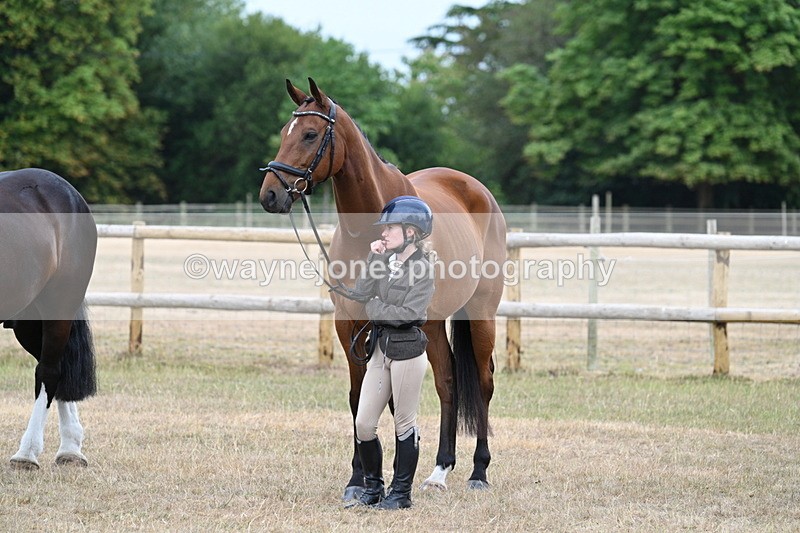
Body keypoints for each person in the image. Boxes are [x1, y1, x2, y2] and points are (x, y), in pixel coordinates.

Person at [347, 195, 435, 510]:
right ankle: (373, 489)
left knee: (404, 423)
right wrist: (373, 259)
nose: (383, 234)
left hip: (407, 352)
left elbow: (408, 313)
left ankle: (400, 495)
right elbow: (360, 293)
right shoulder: (385, 260)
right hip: (379, 351)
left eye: (391, 228)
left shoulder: (423, 268)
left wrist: (373, 305)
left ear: (411, 232)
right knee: (364, 423)